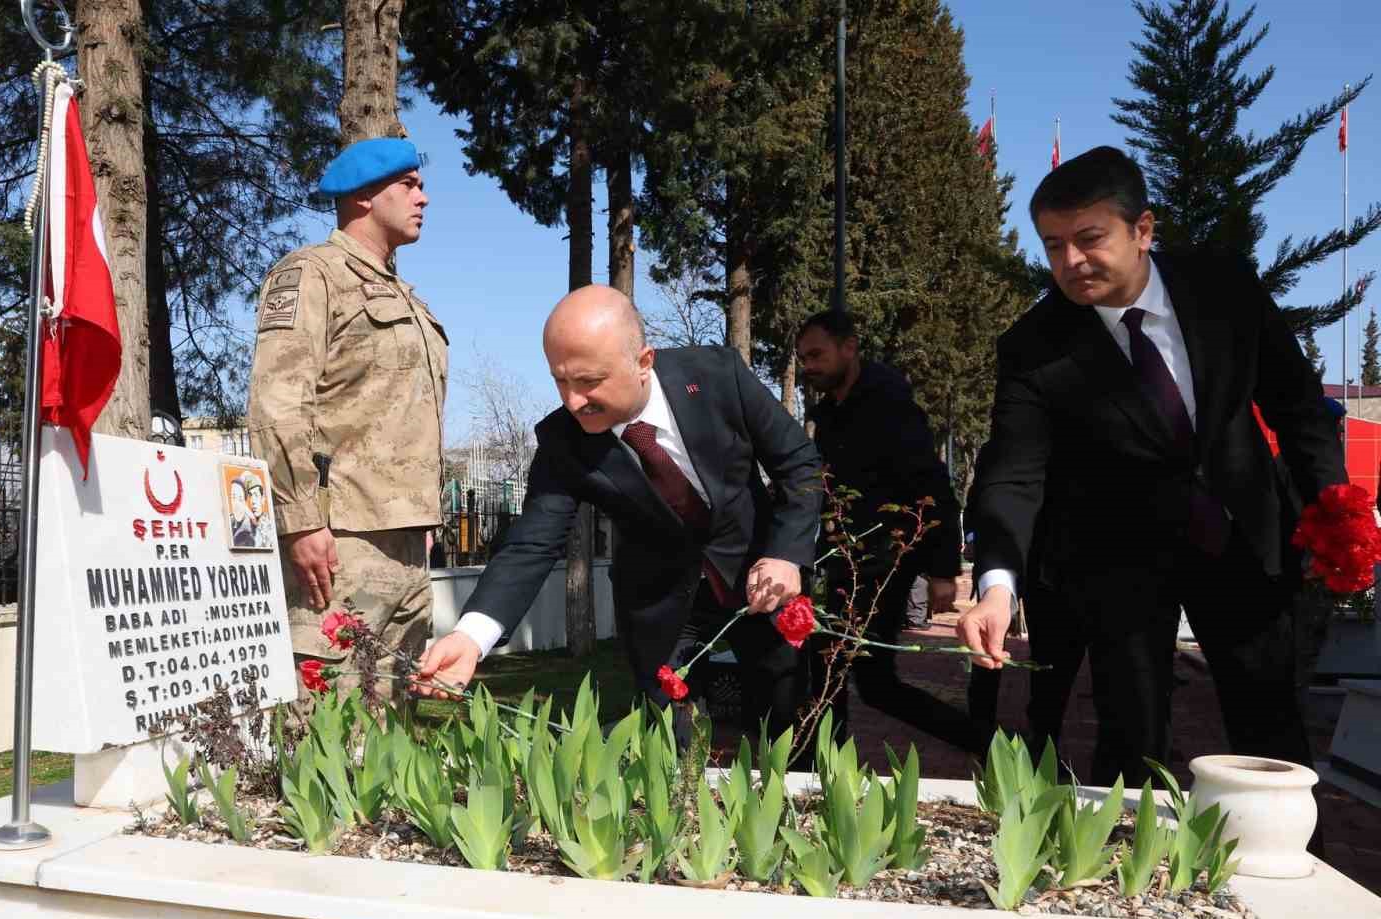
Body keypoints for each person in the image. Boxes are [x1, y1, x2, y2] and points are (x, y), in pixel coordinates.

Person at [959, 146, 1346, 785]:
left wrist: (1332, 507)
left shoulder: (1224, 290)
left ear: (1142, 230)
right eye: (1053, 246)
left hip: (1243, 541)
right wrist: (998, 584)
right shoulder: (1033, 348)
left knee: (1273, 735)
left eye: (1089, 239)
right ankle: (1133, 877)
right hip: (1121, 565)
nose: (1071, 262)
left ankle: (1296, 864)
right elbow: (1014, 470)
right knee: (1131, 745)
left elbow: (1298, 407)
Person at [416, 285, 822, 737]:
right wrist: (471, 637)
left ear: (643, 362)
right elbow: (531, 544)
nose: (573, 401)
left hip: (760, 580)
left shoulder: (717, 375)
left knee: (787, 730)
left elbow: (799, 464)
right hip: (661, 606)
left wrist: (787, 553)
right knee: (673, 745)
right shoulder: (563, 442)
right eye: (560, 381)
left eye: (589, 381)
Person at [247, 137, 448, 712]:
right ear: (363, 196)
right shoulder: (312, 276)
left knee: (392, 732)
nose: (424, 198)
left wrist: (421, 516)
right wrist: (300, 520)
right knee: (327, 729)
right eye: (409, 185)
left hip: (406, 543)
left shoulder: (406, 297)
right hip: (341, 544)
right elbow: (278, 406)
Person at [797, 309, 981, 754]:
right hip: (843, 562)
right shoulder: (830, 414)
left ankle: (995, 745)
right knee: (836, 675)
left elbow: (933, 485)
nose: (809, 367)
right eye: (803, 359)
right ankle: (819, 770)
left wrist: (942, 571)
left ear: (850, 347)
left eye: (817, 355)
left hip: (882, 563)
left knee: (859, 679)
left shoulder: (889, 406)